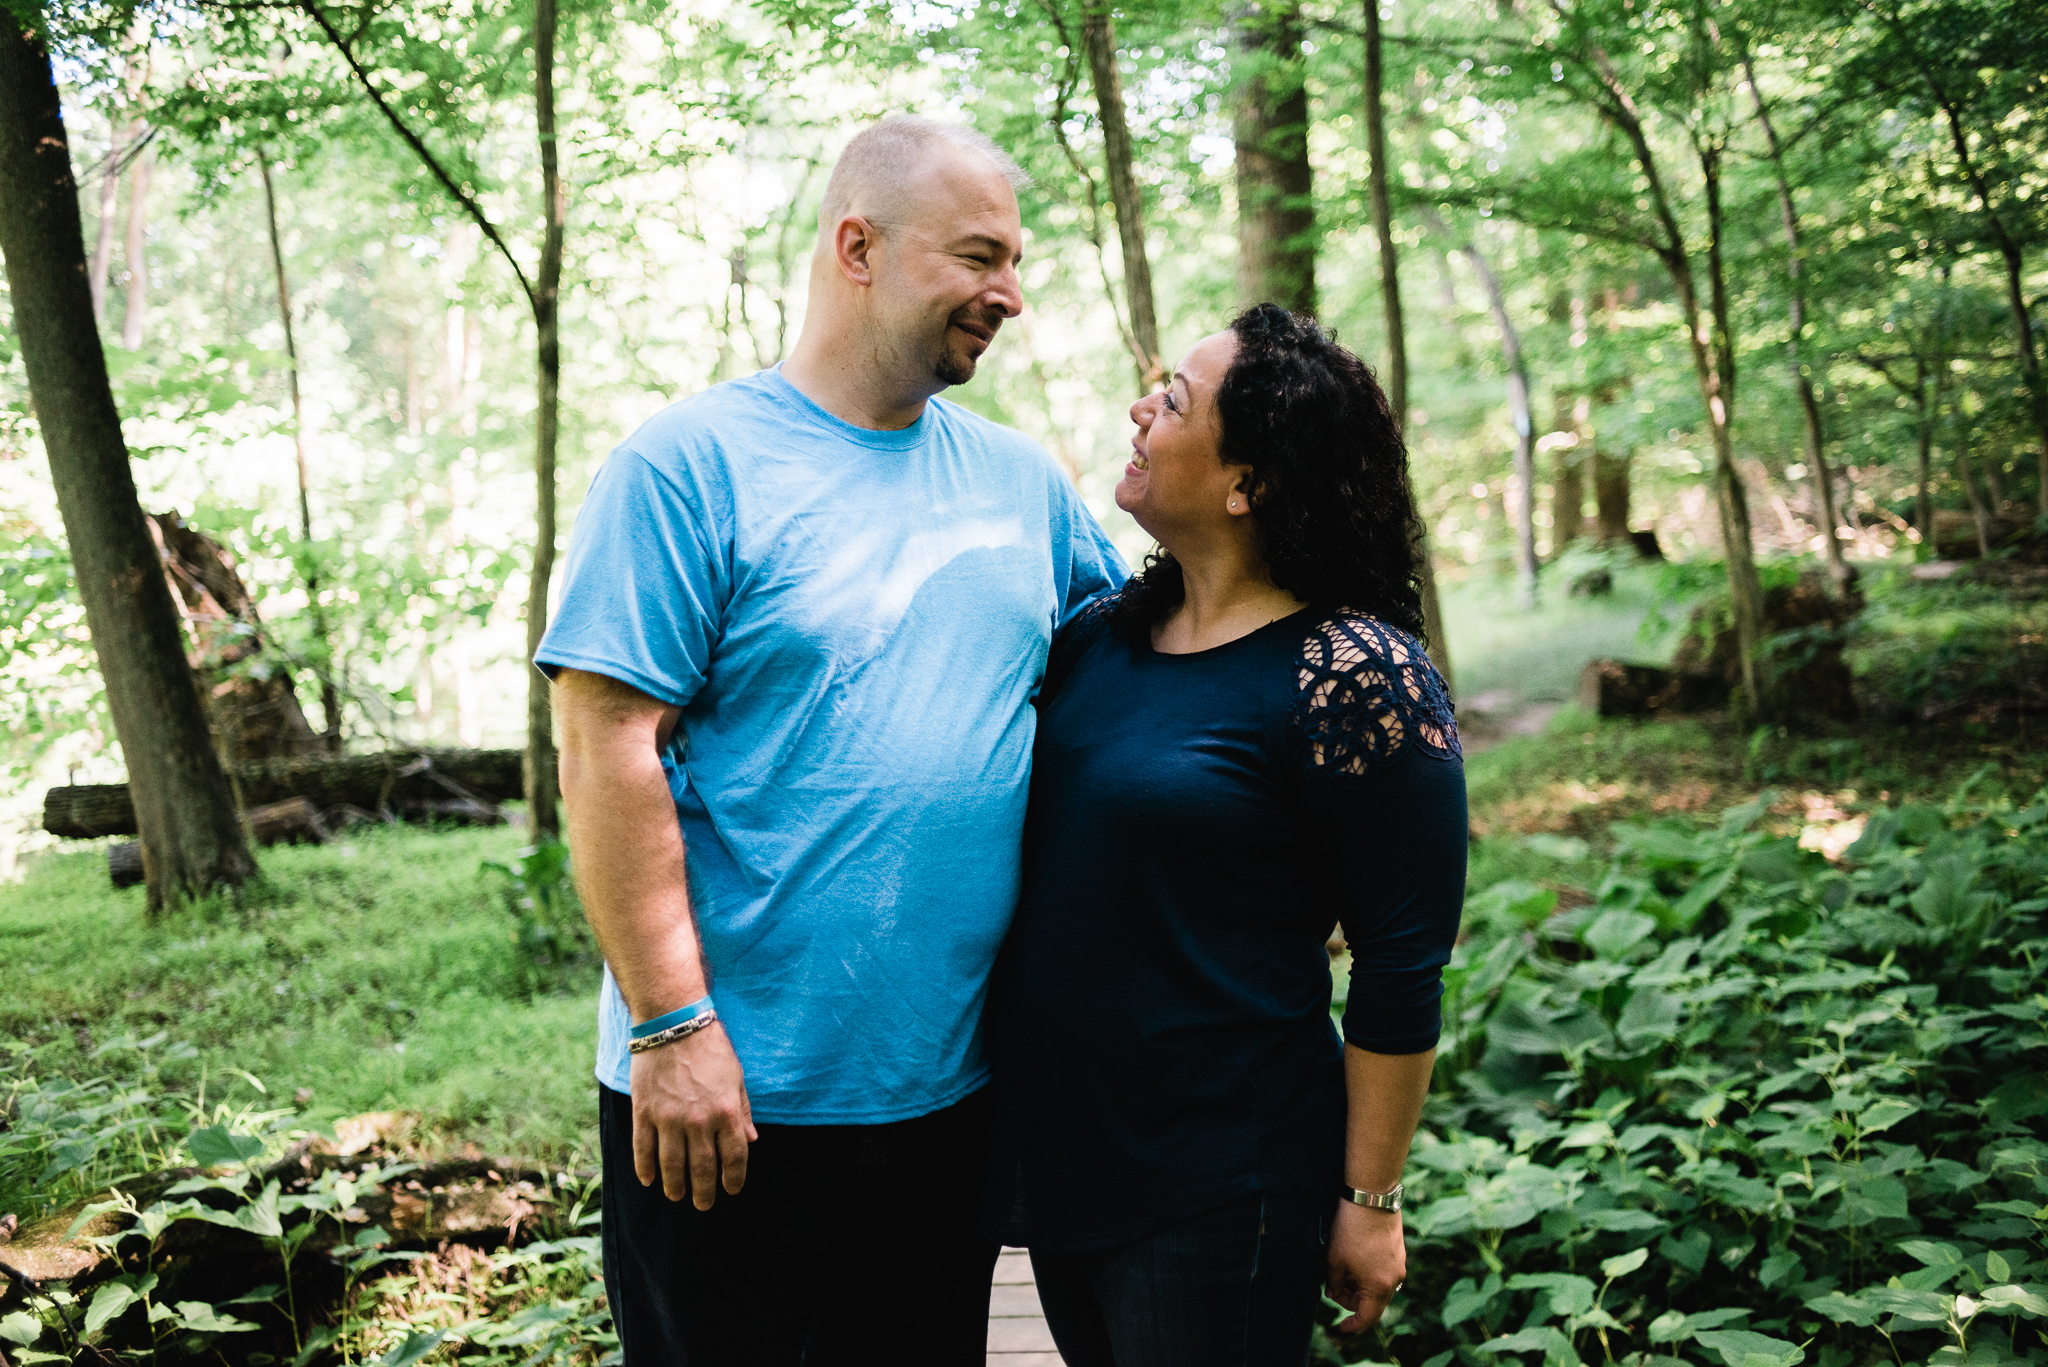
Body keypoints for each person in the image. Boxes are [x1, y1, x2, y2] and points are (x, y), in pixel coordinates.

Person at [536, 115, 1126, 1365]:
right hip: (725, 1100)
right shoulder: (684, 469)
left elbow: (1137, 679)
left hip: (945, 1096)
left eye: (1014, 262)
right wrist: (670, 1027)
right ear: (858, 246)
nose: (1008, 295)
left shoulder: (1022, 485)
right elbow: (602, 744)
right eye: (978, 257)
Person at [986, 304, 1468, 1366]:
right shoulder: (1101, 636)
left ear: (1248, 483)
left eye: (1172, 400)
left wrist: (1369, 1197)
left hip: (1220, 1175)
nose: (1138, 410)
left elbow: (1399, 957)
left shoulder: (1353, 672)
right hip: (1067, 1166)